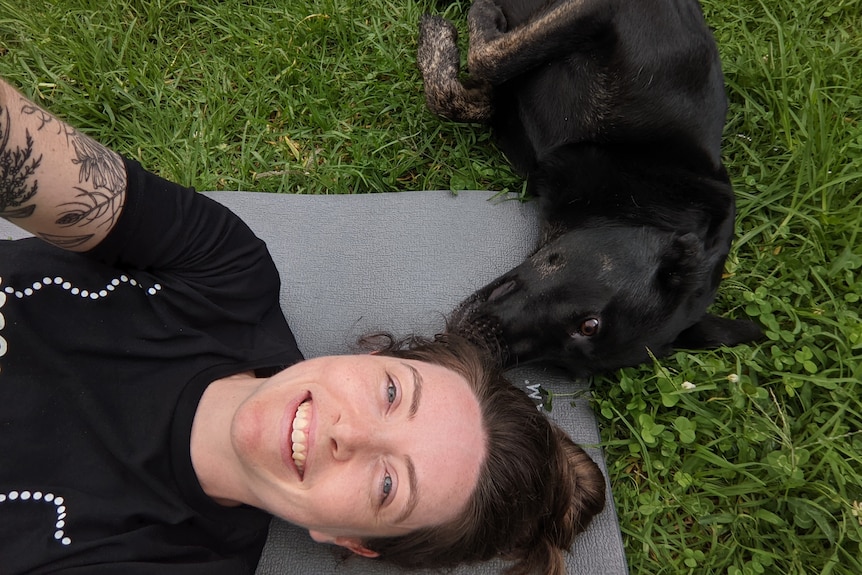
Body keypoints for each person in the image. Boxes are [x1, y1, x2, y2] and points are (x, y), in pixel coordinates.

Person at [0, 76, 606, 575]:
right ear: (374, 359)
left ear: (352, 540)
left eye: (388, 484)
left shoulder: (170, 562)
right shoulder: (226, 272)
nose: (351, 435)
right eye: (392, 393)